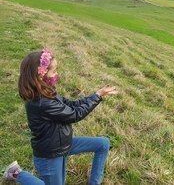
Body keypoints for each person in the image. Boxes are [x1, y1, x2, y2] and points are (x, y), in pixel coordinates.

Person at [4, 49, 119, 185]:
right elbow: (75, 114)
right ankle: (16, 173)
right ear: (40, 76)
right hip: (50, 155)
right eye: (54, 71)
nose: (57, 74)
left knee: (103, 144)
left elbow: (71, 105)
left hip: (63, 143)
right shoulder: (42, 103)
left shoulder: (46, 91)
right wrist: (97, 97)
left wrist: (96, 94)